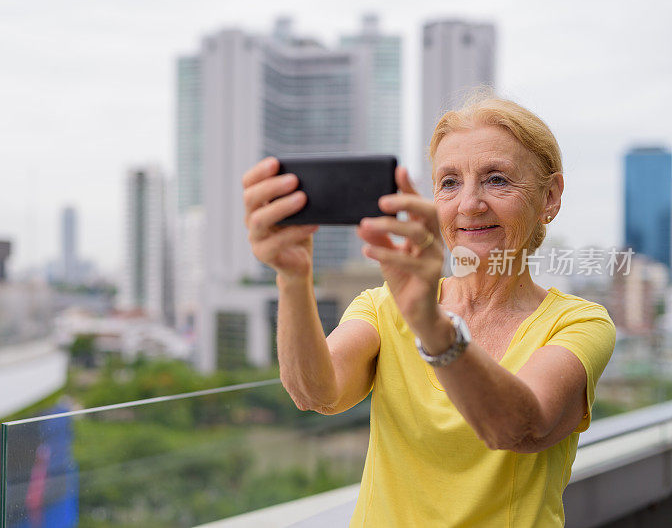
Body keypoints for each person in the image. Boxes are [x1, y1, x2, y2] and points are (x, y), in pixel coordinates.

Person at [241, 92, 616, 526]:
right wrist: (292, 278)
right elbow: (315, 393)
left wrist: (429, 322)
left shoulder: (579, 323)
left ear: (550, 197)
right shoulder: (383, 307)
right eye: (450, 183)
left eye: (497, 179)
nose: (469, 204)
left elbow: (518, 428)